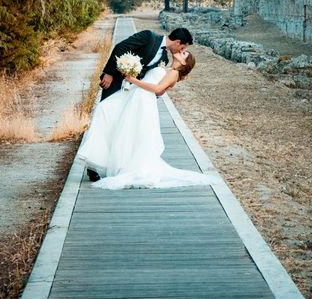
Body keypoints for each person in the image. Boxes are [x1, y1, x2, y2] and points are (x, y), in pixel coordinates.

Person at [78, 49, 219, 189]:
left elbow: (158, 89)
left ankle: (120, 163)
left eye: (184, 54)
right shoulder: (169, 69)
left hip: (143, 100)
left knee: (128, 128)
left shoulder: (174, 73)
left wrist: (133, 80)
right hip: (136, 95)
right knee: (107, 111)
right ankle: (98, 157)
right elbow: (161, 89)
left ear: (184, 62)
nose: (181, 51)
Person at [99, 27, 193, 102]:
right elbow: (120, 48)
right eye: (182, 47)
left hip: (132, 92)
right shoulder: (149, 36)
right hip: (114, 81)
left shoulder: (165, 59)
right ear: (177, 42)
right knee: (105, 110)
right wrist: (109, 73)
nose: (181, 51)